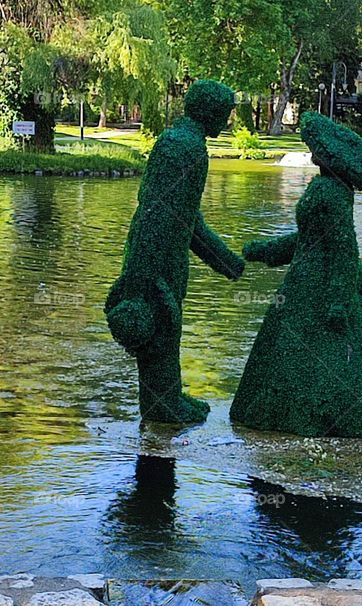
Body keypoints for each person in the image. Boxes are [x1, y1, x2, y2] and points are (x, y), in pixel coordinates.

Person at [231, 112, 362, 437]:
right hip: (306, 278)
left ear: (328, 158)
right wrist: (268, 251)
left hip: (316, 283)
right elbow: (311, 239)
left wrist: (338, 299)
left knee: (324, 349)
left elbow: (343, 249)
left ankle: (321, 414)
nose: (311, 153)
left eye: (316, 150)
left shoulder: (331, 193)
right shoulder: (327, 188)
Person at [105, 80, 245, 424]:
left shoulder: (181, 141)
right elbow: (165, 215)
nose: (227, 121)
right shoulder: (186, 148)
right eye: (225, 113)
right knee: (161, 327)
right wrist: (146, 271)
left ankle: (168, 398)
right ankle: (163, 409)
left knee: (166, 329)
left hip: (158, 251)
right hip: (157, 255)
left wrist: (224, 261)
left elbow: (184, 216)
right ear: (209, 112)